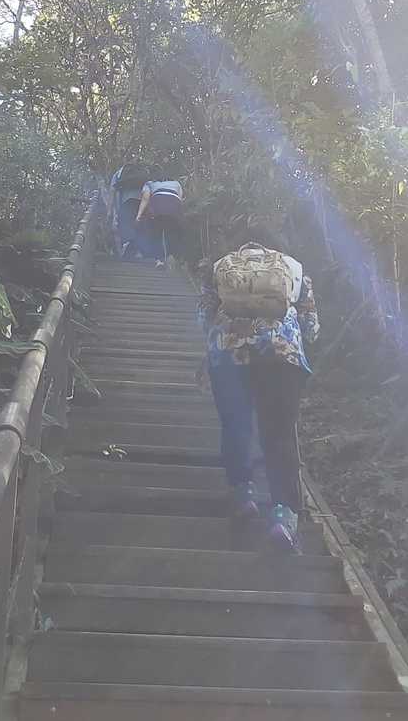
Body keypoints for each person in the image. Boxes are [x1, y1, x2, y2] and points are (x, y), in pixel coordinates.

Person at [197, 230, 319, 551]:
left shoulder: (221, 267)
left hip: (228, 356)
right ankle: (283, 516)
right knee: (279, 434)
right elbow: (311, 327)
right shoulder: (294, 268)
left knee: (236, 426)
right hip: (281, 357)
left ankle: (243, 495)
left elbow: (203, 317)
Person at [135, 176, 184, 264]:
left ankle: (159, 260)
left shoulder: (149, 183)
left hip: (157, 208)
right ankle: (172, 257)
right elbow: (179, 198)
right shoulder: (176, 183)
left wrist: (138, 215)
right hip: (174, 208)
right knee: (172, 233)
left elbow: (145, 199)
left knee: (156, 234)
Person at [108, 164, 150, 259]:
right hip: (141, 202)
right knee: (139, 225)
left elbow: (112, 191)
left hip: (127, 202)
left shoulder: (118, 174)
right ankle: (139, 251)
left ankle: (127, 245)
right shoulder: (142, 172)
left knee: (125, 224)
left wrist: (109, 210)